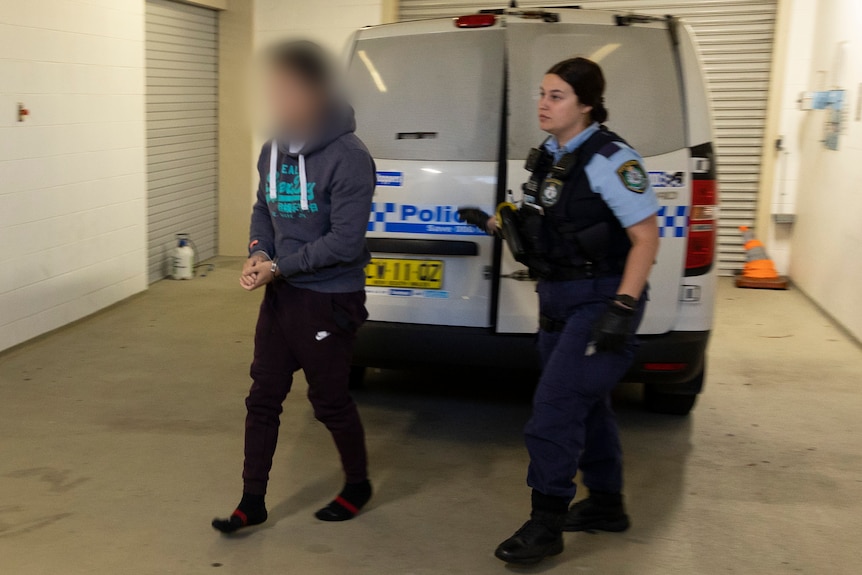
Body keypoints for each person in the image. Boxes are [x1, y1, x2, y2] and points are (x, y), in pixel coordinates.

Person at [460, 57, 660, 565]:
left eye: (556, 96)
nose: (543, 105)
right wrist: (490, 223)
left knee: (554, 411)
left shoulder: (611, 159)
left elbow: (645, 238)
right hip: (558, 300)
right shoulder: (551, 155)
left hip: (602, 299)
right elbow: (543, 231)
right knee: (587, 405)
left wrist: (622, 307)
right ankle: (607, 505)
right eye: (542, 94)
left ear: (587, 104)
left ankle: (546, 524)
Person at [212, 41, 376, 533]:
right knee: (263, 396)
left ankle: (358, 483)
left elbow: (345, 243)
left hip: (329, 298)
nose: (276, 99)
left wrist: (279, 266)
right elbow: (263, 206)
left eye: (285, 88)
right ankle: (252, 500)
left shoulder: (349, 157)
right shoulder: (274, 148)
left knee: (329, 401)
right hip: (282, 294)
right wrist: (260, 251)